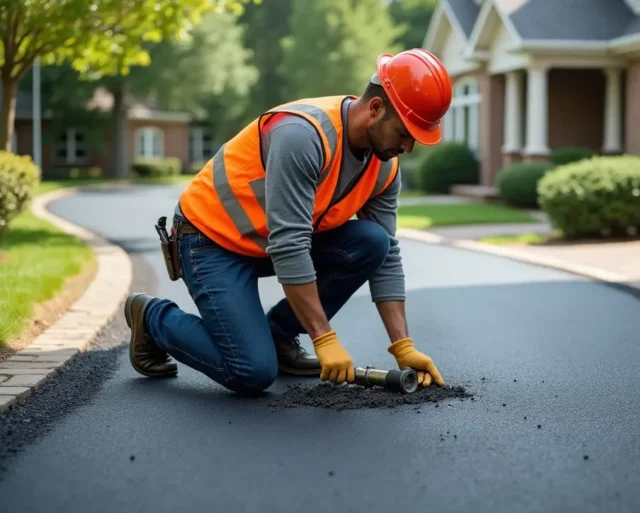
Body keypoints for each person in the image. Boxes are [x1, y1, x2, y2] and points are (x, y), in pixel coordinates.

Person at [123, 48, 452, 394]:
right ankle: (151, 317)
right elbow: (290, 244)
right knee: (251, 371)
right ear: (375, 109)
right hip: (209, 240)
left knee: (373, 242)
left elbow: (384, 258)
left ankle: (279, 337)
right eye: (404, 133)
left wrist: (403, 346)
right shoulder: (303, 136)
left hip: (266, 242)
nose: (409, 147)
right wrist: (323, 337)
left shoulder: (384, 166)